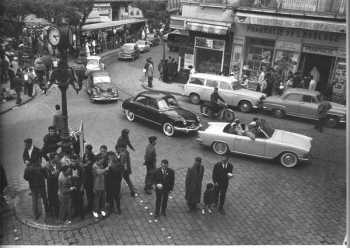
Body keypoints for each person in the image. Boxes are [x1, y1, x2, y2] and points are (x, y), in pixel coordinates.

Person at [105, 150, 124, 214]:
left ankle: (118, 208)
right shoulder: (107, 163)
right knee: (110, 196)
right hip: (109, 183)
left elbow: (118, 173)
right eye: (108, 158)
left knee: (116, 196)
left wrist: (110, 167)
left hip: (116, 183)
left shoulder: (118, 164)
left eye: (110, 157)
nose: (109, 159)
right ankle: (111, 207)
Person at [44, 153, 61, 217]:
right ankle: (51, 214)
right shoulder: (47, 166)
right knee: (51, 199)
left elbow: (60, 171)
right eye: (54, 158)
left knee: (57, 199)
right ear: (51, 159)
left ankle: (57, 213)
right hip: (51, 185)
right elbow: (48, 176)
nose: (56, 159)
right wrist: (55, 173)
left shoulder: (58, 164)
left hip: (57, 184)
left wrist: (57, 172)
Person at [70, 154, 85, 220]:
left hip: (79, 186)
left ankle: (82, 214)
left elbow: (83, 178)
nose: (74, 162)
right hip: (73, 186)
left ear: (77, 161)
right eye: (72, 161)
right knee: (74, 200)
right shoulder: (69, 167)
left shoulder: (80, 168)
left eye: (75, 161)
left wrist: (82, 186)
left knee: (80, 200)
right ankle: (75, 212)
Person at [82, 144, 95, 213]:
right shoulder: (85, 155)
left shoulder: (92, 157)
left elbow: (90, 166)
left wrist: (85, 166)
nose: (85, 151)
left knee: (90, 192)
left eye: (86, 150)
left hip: (90, 178)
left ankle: (90, 206)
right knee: (87, 192)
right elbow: (83, 162)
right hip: (85, 177)